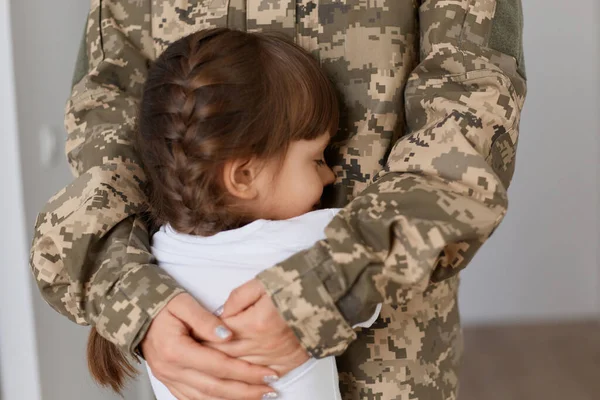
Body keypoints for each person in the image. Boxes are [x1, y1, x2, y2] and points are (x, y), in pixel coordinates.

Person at [30, 1, 527, 399]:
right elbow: (108, 130)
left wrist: (326, 286)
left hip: (395, 362)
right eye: (315, 156)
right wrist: (139, 304)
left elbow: (469, 126)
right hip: (184, 351)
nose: (326, 169)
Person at [90, 28, 380, 399]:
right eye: (316, 159)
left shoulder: (148, 262)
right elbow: (378, 283)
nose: (330, 175)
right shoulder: (318, 237)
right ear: (244, 175)